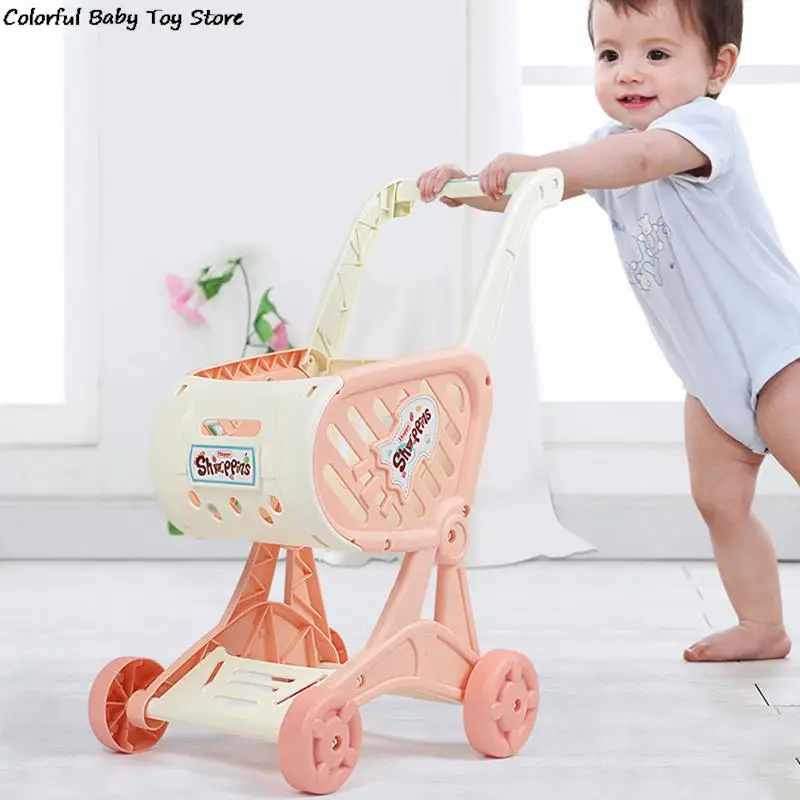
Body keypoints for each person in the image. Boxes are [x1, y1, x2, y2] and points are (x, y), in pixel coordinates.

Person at [417, 0, 799, 663]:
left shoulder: (704, 128)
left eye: (658, 54)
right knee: (720, 505)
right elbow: (536, 190)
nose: (629, 71)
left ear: (719, 67)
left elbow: (643, 159)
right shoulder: (605, 148)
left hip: (781, 359)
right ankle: (762, 625)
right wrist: (464, 187)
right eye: (609, 54)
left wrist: (539, 161)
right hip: (710, 383)